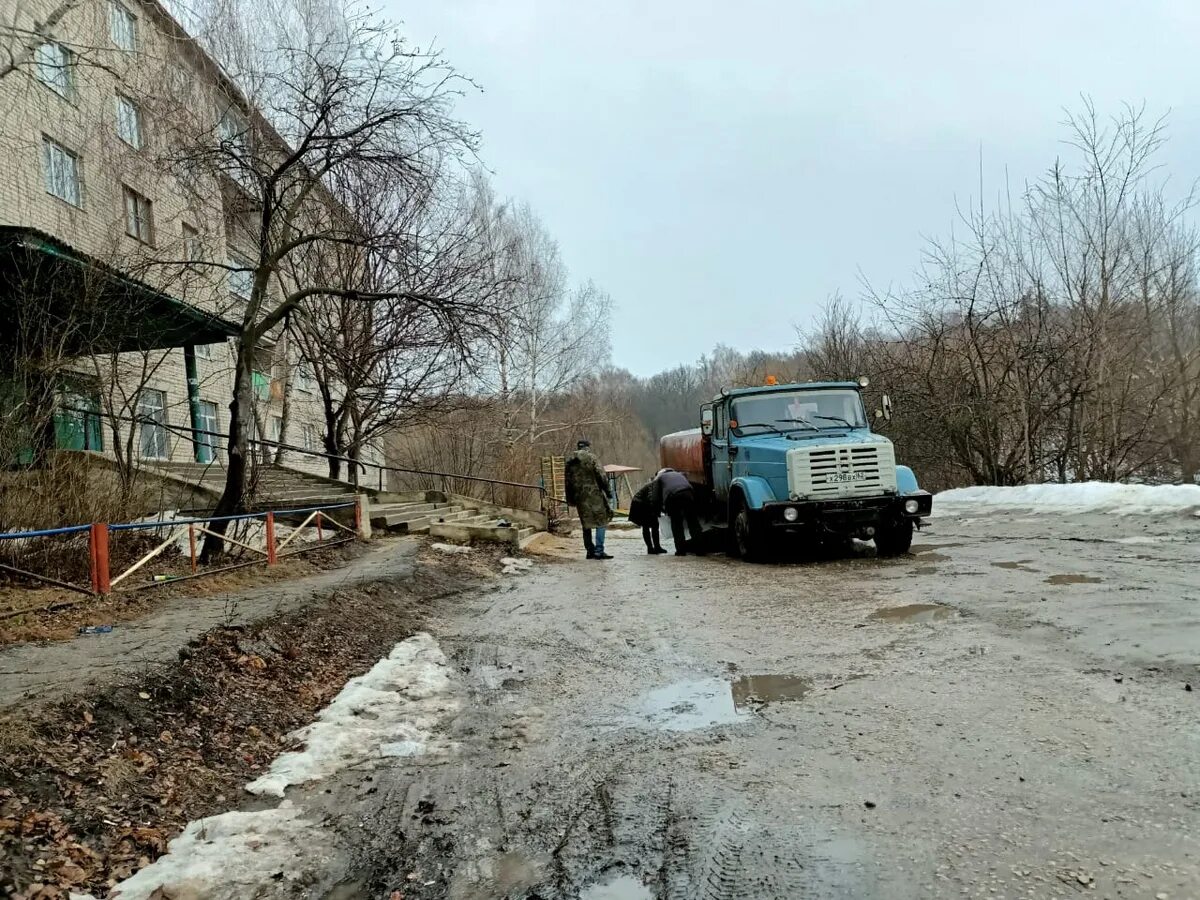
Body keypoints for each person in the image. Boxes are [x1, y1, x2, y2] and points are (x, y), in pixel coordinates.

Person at [564, 439, 613, 560]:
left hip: (579, 497)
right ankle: (599, 551)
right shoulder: (592, 458)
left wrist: (570, 499)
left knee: (586, 524)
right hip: (594, 495)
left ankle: (589, 550)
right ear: (588, 447)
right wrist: (608, 492)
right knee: (601, 522)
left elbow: (567, 482)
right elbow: (601, 475)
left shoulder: (570, 462)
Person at [652, 467, 705, 556]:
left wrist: (657, 511)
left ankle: (681, 550)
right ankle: (700, 550)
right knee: (693, 522)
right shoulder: (679, 474)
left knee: (676, 524)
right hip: (688, 494)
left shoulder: (660, 478)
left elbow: (655, 498)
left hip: (673, 497)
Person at [628, 481, 667, 554]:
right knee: (646, 525)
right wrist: (657, 510)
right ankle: (650, 548)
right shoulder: (654, 485)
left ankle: (657, 547)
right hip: (640, 505)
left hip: (646, 504)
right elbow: (651, 498)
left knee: (654, 525)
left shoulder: (660, 485)